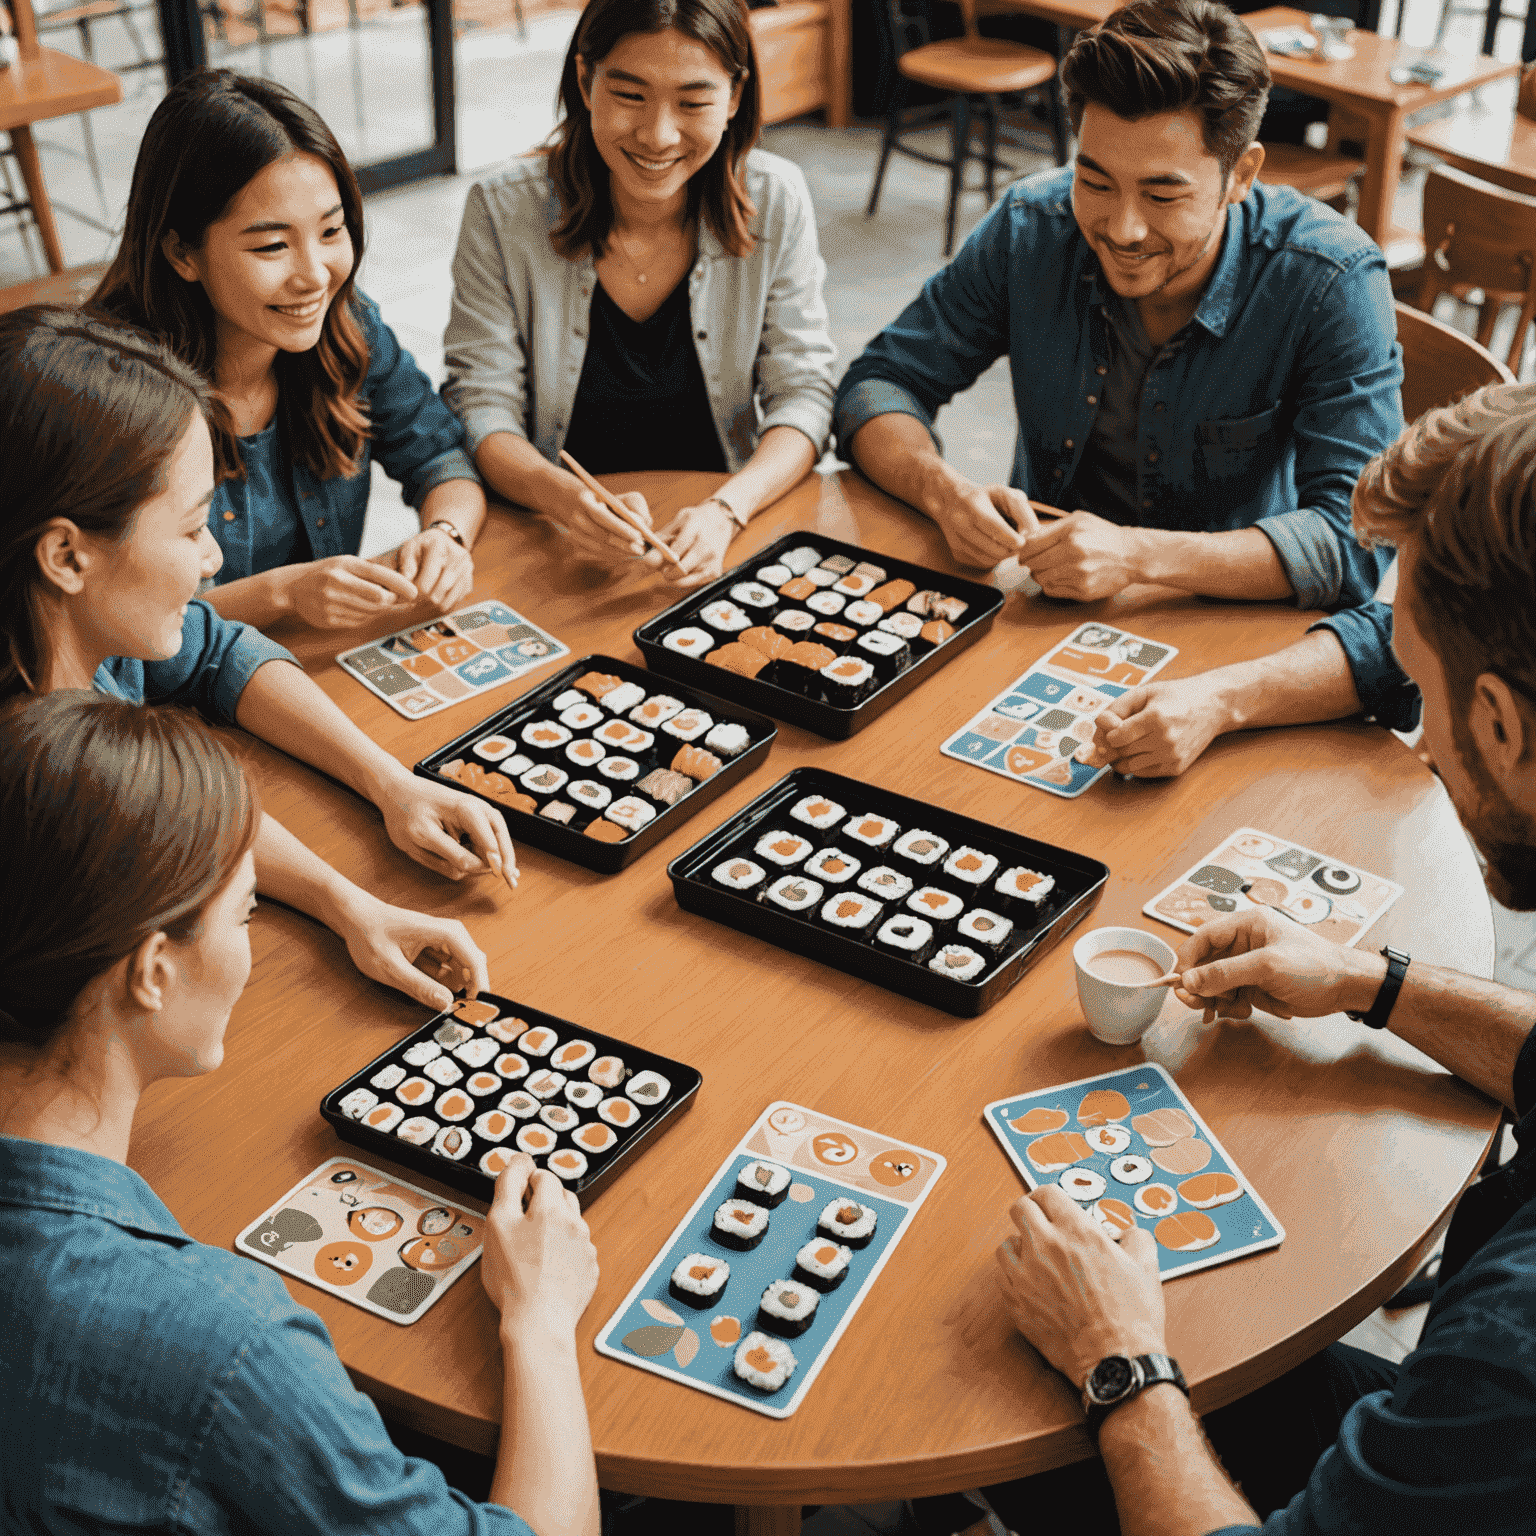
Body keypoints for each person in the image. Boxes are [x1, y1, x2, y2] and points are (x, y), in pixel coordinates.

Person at [981, 382, 1536, 1534]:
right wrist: (1368, 982)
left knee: (1018, 1377)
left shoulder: (1509, 1355)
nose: (1418, 741)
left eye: (1420, 700)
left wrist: (1121, 1361)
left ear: (1502, 728)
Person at [0, 691, 600, 1536]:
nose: (249, 945)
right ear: (151, 973)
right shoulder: (227, 1342)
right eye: (245, 912)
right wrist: (540, 1319)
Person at [834, 0, 1413, 778]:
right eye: (1096, 180)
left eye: (1164, 195)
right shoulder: (1032, 226)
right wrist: (941, 492)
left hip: (1236, 664)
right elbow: (880, 384)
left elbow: (1355, 543)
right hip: (1037, 627)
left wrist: (1138, 556)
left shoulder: (1329, 278)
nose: (1123, 227)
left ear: (1240, 174)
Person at [2, 303, 516, 1010]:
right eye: (189, 531)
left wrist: (382, 807)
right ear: (65, 555)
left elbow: (215, 654)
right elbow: (163, 812)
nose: (213, 558)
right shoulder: (44, 788)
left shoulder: (82, 635)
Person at [442, 0, 836, 589]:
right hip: (551, 541)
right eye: (629, 95)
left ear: (734, 97)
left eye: (694, 102)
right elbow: (481, 404)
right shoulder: (502, 210)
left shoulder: (776, 199)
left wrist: (727, 511)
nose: (658, 135)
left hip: (721, 532)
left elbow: (804, 393)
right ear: (585, 81)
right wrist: (564, 498)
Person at [90, 69, 487, 631]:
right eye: (273, 245)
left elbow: (441, 459)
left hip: (308, 665)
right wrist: (280, 594)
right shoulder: (106, 393)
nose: (314, 276)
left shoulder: (348, 328)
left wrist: (445, 536)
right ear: (182, 252)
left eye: (331, 232)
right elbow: (110, 619)